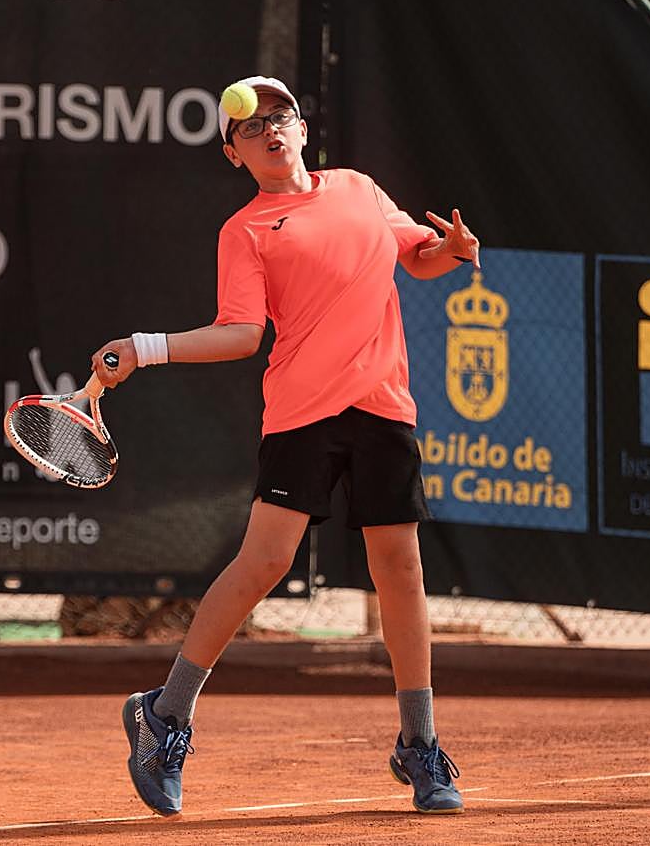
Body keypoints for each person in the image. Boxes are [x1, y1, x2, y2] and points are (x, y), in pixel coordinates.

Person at [91, 76, 479, 817]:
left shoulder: (359, 189)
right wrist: (145, 348)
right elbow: (242, 332)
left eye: (281, 116)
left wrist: (453, 251)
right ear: (234, 154)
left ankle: (419, 743)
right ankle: (164, 715)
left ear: (302, 128)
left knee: (400, 569)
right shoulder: (243, 231)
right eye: (251, 127)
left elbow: (416, 257)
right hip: (302, 412)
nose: (270, 130)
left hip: (384, 403)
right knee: (264, 563)